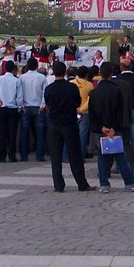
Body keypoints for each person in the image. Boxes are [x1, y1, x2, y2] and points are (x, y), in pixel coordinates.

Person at [88, 61, 134, 193]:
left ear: (100, 74)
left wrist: (102, 127)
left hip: (99, 129)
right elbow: (120, 111)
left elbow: (92, 114)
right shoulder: (116, 90)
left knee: (102, 157)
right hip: (114, 129)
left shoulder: (94, 92)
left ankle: (104, 184)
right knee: (120, 156)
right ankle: (129, 183)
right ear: (112, 73)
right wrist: (113, 127)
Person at [43, 61, 94, 192]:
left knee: (56, 156)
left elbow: (47, 104)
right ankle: (82, 183)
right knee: (75, 154)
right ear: (65, 72)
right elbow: (77, 102)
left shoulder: (49, 88)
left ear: (53, 72)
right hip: (69, 123)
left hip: (54, 124)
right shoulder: (71, 87)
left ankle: (58, 185)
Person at [0, 61, 24, 162]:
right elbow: (20, 97)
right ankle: (12, 156)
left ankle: (2, 156)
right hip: (13, 108)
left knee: (1, 132)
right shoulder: (17, 80)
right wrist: (19, 106)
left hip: (1, 107)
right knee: (12, 133)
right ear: (14, 69)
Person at [18, 58, 47, 161]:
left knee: (24, 133)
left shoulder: (22, 77)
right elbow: (45, 92)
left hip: (25, 107)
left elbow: (19, 93)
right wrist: (42, 105)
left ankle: (24, 156)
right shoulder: (42, 77)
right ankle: (39, 156)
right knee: (40, 133)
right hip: (38, 106)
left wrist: (21, 105)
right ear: (37, 65)